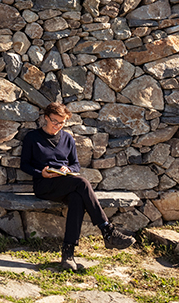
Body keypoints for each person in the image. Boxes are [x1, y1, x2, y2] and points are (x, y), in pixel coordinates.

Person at [20, 102, 134, 270]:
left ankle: (68, 255)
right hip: (44, 185)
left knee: (76, 199)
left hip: (64, 183)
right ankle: (107, 231)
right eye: (54, 121)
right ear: (45, 118)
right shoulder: (32, 137)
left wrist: (68, 169)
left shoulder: (67, 138)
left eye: (62, 122)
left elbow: (75, 165)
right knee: (82, 183)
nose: (57, 125)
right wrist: (41, 172)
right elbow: (25, 165)